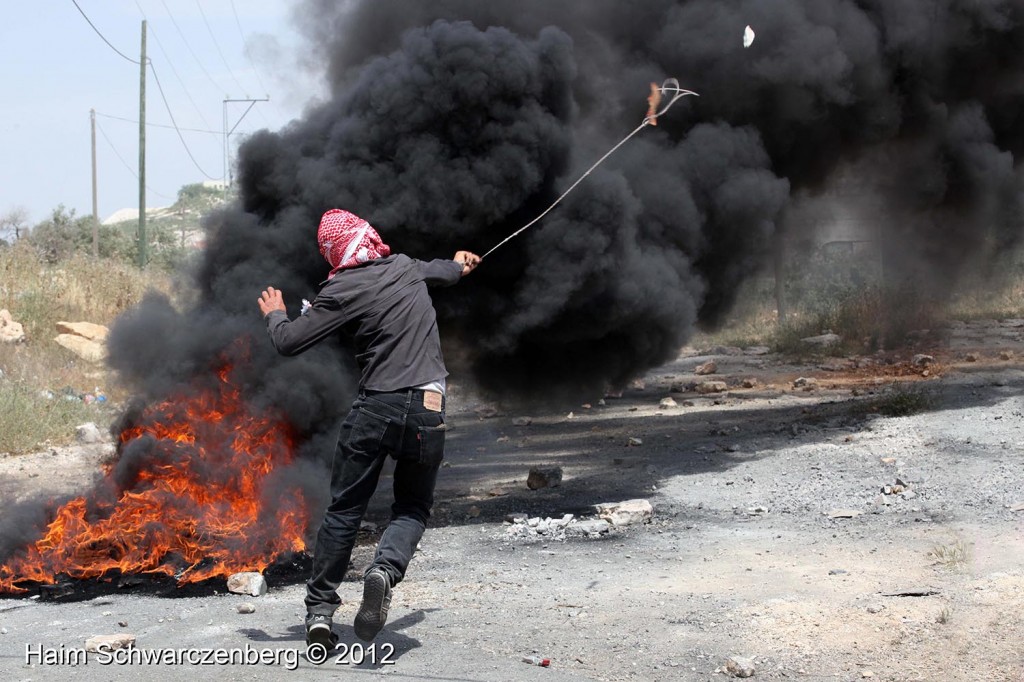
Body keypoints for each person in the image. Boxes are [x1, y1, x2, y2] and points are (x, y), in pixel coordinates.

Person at [257, 208, 480, 650]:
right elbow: (449, 272)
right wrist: (461, 263)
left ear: (334, 252)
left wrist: (276, 314)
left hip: (375, 409)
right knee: (413, 506)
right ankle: (384, 570)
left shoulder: (340, 288)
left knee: (344, 512)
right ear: (369, 236)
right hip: (428, 411)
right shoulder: (404, 267)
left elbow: (288, 342)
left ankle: (320, 612)